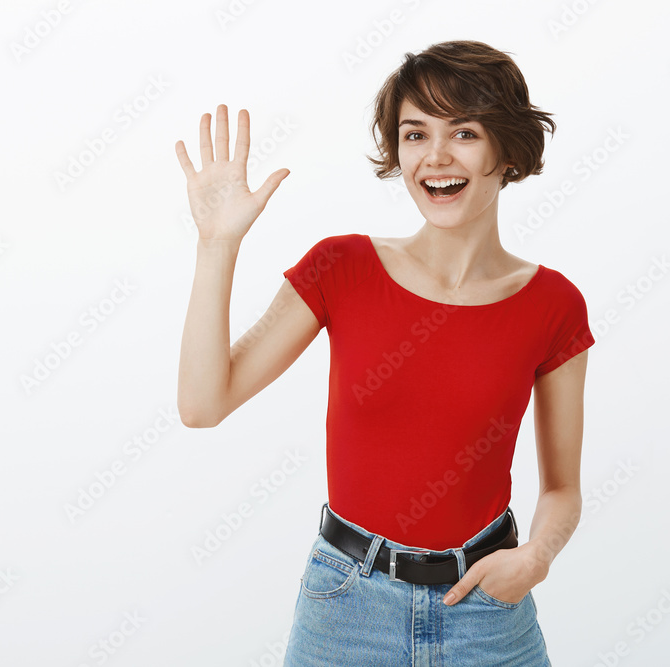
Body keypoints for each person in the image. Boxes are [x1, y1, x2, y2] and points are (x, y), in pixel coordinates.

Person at [174, 40, 593, 666]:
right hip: (345, 611)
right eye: (415, 134)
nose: (436, 157)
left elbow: (562, 489)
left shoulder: (553, 304)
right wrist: (217, 245)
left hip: (486, 611)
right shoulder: (340, 268)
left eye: (465, 132)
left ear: (507, 149)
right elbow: (203, 404)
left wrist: (535, 559)